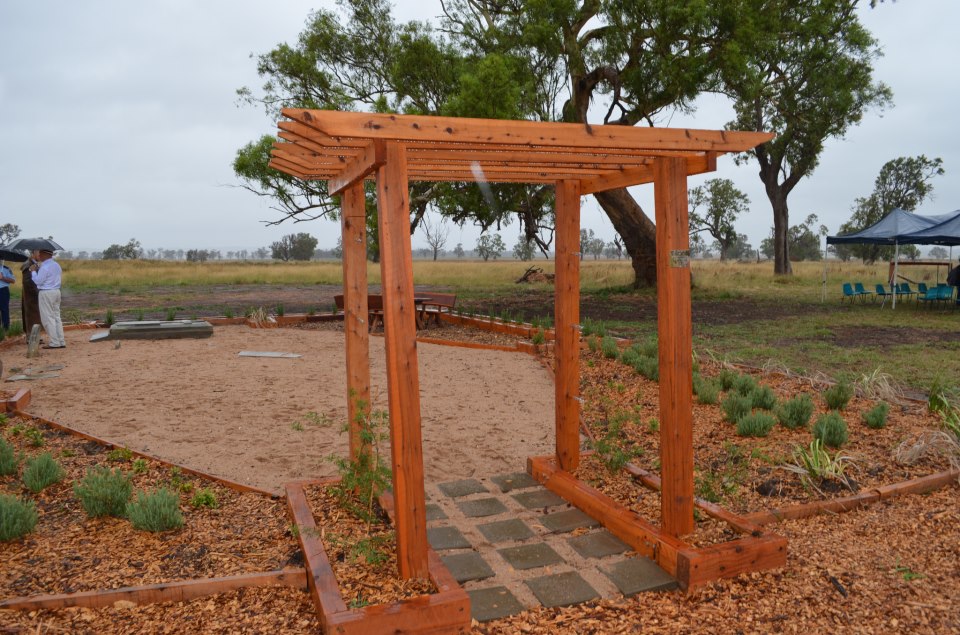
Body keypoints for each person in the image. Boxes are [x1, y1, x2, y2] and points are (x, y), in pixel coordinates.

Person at [29, 249, 65, 349]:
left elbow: (38, 281)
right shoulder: (56, 265)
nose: (39, 256)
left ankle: (54, 342)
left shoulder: (45, 267)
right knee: (56, 317)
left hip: (46, 292)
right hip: (56, 292)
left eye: (40, 254)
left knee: (48, 318)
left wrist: (33, 272)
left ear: (45, 255)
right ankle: (61, 340)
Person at [20, 251, 42, 337]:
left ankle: (35, 337)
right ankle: (31, 337)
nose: (40, 255)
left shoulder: (34, 264)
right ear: (33, 253)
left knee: (35, 316)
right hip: (31, 296)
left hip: (33, 294)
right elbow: (28, 282)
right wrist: (37, 292)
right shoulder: (28, 265)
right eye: (38, 253)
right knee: (32, 316)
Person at [0, 261, 14, 330]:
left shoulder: (6, 269)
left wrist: (3, 278)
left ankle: (6, 329)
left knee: (4, 310)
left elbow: (13, 280)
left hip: (3, 291)